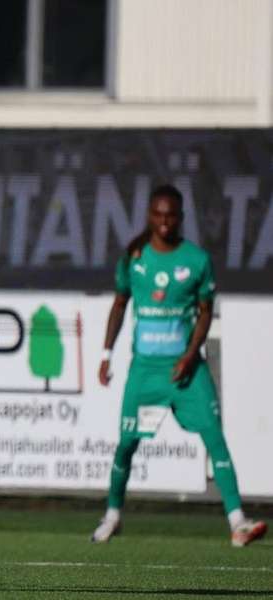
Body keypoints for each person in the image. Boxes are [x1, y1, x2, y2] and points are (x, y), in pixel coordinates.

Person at [91, 184, 266, 547]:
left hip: (187, 370)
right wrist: (106, 354)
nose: (164, 221)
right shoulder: (134, 258)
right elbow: (120, 305)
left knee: (215, 437)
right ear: (150, 217)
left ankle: (238, 522)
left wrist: (190, 354)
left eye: (171, 215)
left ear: (181, 218)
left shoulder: (197, 261)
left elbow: (205, 313)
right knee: (126, 445)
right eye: (158, 214)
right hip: (146, 372)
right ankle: (112, 514)